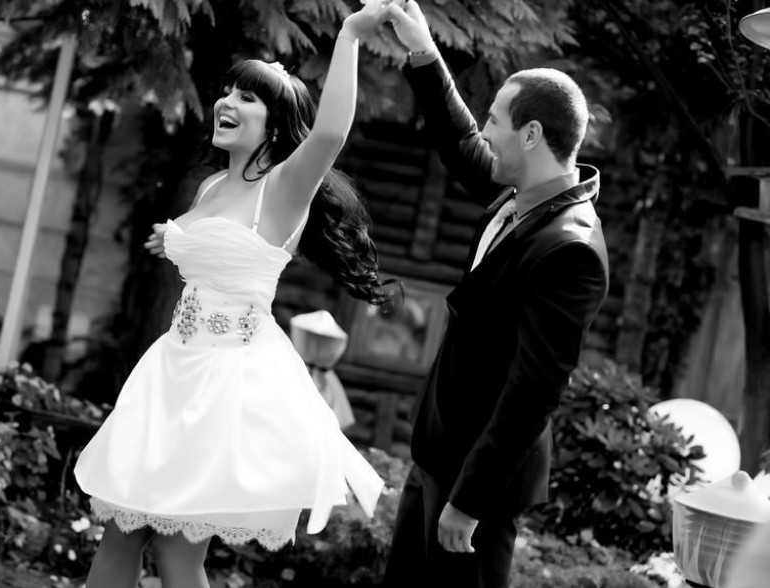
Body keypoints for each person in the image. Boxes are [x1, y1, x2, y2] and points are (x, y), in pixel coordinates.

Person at [74, 4, 394, 588]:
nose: (227, 101)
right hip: (169, 373)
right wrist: (173, 239)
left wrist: (349, 35)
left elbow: (329, 134)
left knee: (177, 553)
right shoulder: (212, 185)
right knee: (120, 528)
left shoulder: (284, 187)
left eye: (247, 97)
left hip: (223, 385)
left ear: (274, 125)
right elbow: (211, 248)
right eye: (227, 91)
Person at [381, 1, 610, 587]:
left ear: (531, 134)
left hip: (475, 488)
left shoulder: (571, 249)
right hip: (435, 459)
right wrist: (423, 52)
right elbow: (461, 140)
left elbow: (534, 392)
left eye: (495, 121)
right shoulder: (519, 194)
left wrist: (469, 501)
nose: (484, 131)